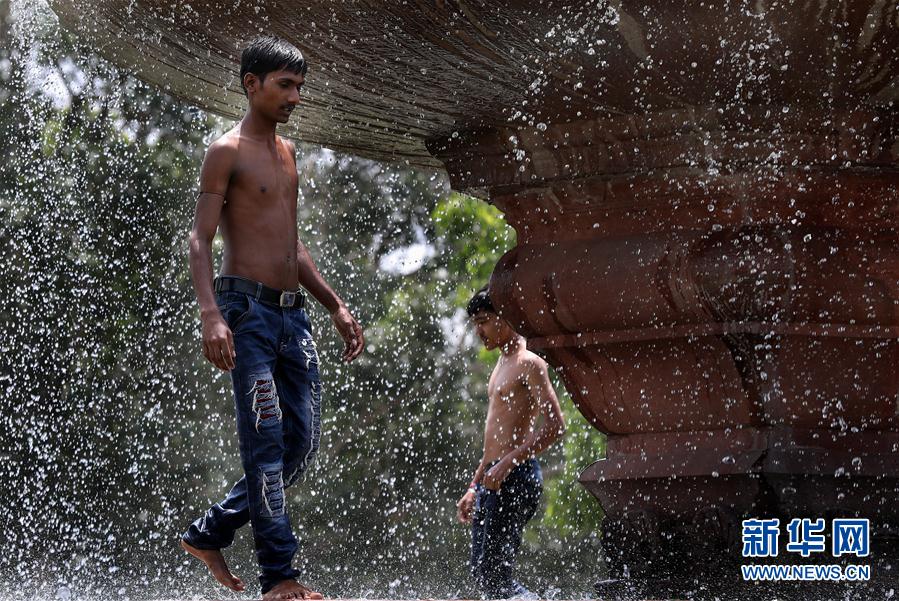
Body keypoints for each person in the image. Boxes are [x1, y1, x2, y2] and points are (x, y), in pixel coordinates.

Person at [180, 35, 364, 601]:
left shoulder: (287, 157)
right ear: (251, 84)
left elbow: (294, 246)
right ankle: (279, 579)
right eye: (285, 85)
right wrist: (212, 315)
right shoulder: (226, 150)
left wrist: (334, 304)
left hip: (294, 317)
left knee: (300, 444)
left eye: (300, 87)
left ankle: (210, 532)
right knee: (265, 443)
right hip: (246, 313)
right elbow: (198, 239)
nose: (295, 97)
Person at [456, 286, 566, 599]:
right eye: (475, 323)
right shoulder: (501, 364)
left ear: (505, 318)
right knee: (482, 573)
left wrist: (507, 463)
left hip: (516, 476)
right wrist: (473, 486)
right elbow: (494, 441)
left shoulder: (529, 362)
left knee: (494, 576)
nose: (479, 330)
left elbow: (556, 426)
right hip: (492, 476)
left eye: (484, 321)